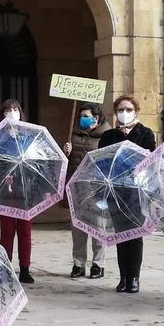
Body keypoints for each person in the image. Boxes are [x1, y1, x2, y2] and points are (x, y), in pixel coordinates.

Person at [98, 95, 157, 293]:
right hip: (116, 191)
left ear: (136, 111)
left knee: (135, 235)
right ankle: (123, 277)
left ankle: (134, 278)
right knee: (121, 235)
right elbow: (102, 161)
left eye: (129, 109)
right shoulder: (108, 136)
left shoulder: (145, 133)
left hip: (136, 192)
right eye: (121, 110)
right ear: (115, 112)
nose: (125, 113)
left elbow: (150, 159)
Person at [63, 102, 108, 279]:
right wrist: (66, 151)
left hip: (98, 188)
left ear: (96, 118)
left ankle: (98, 264)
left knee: (98, 226)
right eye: (81, 116)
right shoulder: (74, 134)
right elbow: (68, 161)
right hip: (78, 187)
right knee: (78, 228)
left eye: (86, 116)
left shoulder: (106, 135)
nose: (82, 119)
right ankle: (78, 263)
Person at [0, 99, 34, 284]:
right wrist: (3, 177)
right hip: (5, 191)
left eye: (14, 109)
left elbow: (36, 162)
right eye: (7, 110)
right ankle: (6, 267)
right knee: (7, 231)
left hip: (25, 190)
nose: (11, 112)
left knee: (25, 232)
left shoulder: (28, 136)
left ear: (20, 112)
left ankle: (25, 268)